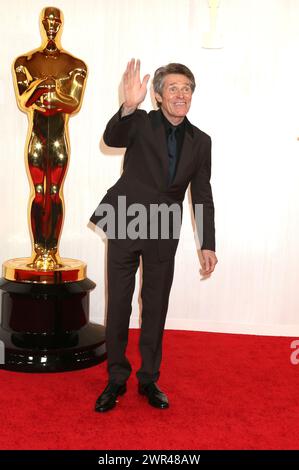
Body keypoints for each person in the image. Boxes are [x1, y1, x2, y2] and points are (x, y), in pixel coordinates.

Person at [90, 59, 218, 412]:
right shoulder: (141, 122)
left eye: (187, 88)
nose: (181, 94)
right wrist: (128, 106)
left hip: (163, 226)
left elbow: (202, 194)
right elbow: (112, 138)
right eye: (173, 88)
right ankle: (116, 377)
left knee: (156, 304)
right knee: (119, 301)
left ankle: (149, 378)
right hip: (126, 218)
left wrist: (207, 243)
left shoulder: (201, 141)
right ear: (158, 96)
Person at [13, 7, 87, 270]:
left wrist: (48, 93)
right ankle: (38, 252)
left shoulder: (75, 65)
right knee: (39, 192)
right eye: (48, 20)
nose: (52, 24)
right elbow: (25, 100)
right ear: (42, 24)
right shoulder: (25, 62)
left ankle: (52, 252)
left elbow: (73, 103)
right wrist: (43, 88)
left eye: (56, 20)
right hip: (37, 137)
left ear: (62, 24)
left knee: (54, 192)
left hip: (58, 137)